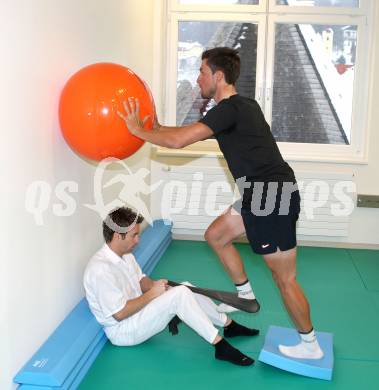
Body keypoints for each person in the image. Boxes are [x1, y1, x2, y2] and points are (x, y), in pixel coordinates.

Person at [117, 47, 324, 360]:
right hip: (259, 195)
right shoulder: (238, 107)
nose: (197, 78)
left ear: (218, 76)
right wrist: (155, 128)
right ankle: (245, 294)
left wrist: (137, 131)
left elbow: (179, 141)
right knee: (216, 235)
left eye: (201, 72)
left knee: (285, 279)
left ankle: (310, 346)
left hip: (272, 197)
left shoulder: (228, 110)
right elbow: (184, 133)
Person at [83, 206, 259, 366]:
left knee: (185, 287)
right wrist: (154, 294)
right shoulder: (101, 270)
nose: (138, 240)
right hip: (124, 330)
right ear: (116, 236)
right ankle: (220, 346)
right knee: (180, 294)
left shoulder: (125, 255)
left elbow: (140, 280)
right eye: (134, 235)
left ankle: (228, 325)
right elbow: (119, 314)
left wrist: (156, 286)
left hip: (139, 312)